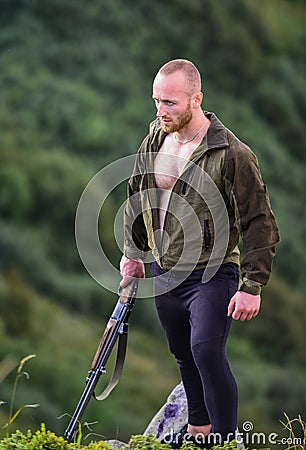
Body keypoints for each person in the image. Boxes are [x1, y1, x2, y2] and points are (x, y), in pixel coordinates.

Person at [120, 59, 280, 448]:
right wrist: (134, 253)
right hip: (164, 269)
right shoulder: (155, 139)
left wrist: (252, 286)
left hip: (213, 271)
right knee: (182, 354)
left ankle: (226, 443)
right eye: (156, 101)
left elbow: (260, 221)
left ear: (197, 99)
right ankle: (199, 432)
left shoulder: (232, 152)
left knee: (206, 350)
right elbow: (138, 196)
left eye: (170, 103)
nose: (161, 112)